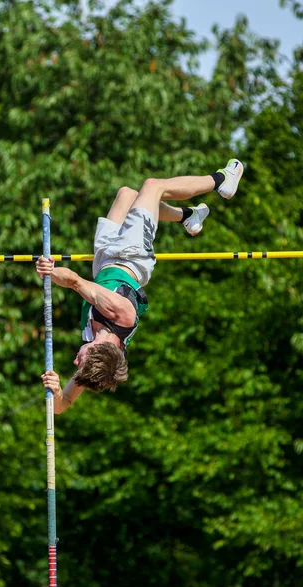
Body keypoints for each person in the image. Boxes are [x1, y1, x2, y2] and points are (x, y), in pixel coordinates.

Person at [36, 159, 244, 414]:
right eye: (81, 359)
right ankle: (222, 180)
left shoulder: (96, 359)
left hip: (105, 257)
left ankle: (188, 216)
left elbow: (61, 406)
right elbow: (75, 282)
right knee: (153, 186)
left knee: (128, 194)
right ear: (99, 351)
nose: (75, 360)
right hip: (130, 255)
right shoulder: (121, 315)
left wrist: (57, 391)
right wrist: (50, 270)